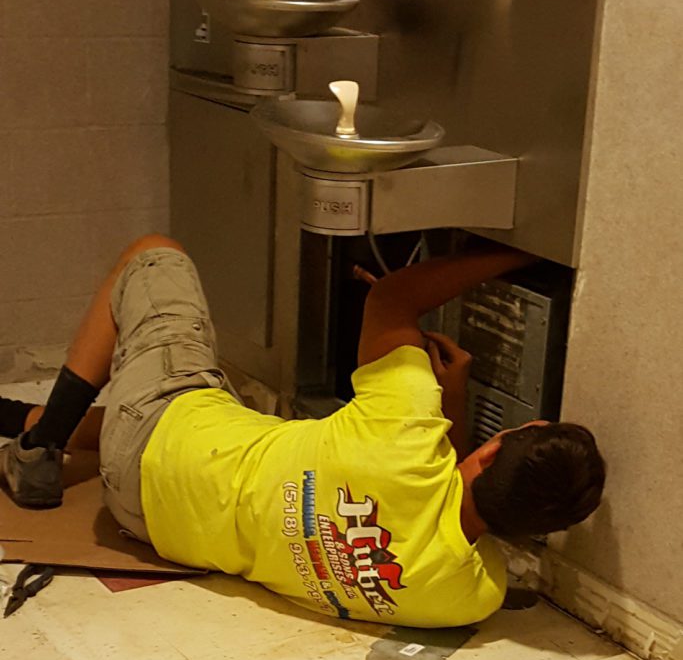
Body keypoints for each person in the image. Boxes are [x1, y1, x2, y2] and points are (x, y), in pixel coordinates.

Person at [0, 234, 605, 628]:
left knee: (151, 256)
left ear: (493, 448)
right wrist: (457, 403)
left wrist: (528, 251)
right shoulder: (467, 596)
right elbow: (451, 507)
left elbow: (393, 298)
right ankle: (12, 417)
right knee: (194, 416)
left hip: (165, 435)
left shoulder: (405, 425)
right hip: (153, 525)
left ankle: (37, 449)